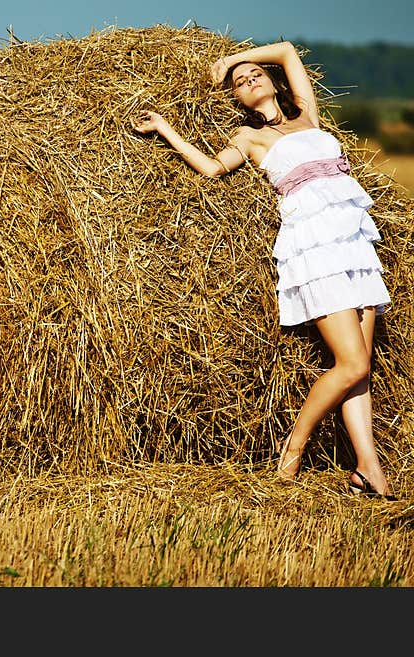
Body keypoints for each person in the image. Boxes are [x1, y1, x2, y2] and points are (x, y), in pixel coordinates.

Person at [132, 40, 397, 499]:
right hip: (313, 250)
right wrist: (164, 129)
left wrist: (232, 60)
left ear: (272, 82)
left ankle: (368, 470)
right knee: (350, 361)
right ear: (236, 99)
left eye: (256, 74)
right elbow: (211, 169)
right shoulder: (248, 138)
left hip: (354, 243)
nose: (250, 79)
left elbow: (289, 51)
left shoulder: (309, 116)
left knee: (360, 368)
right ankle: (291, 454)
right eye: (240, 82)